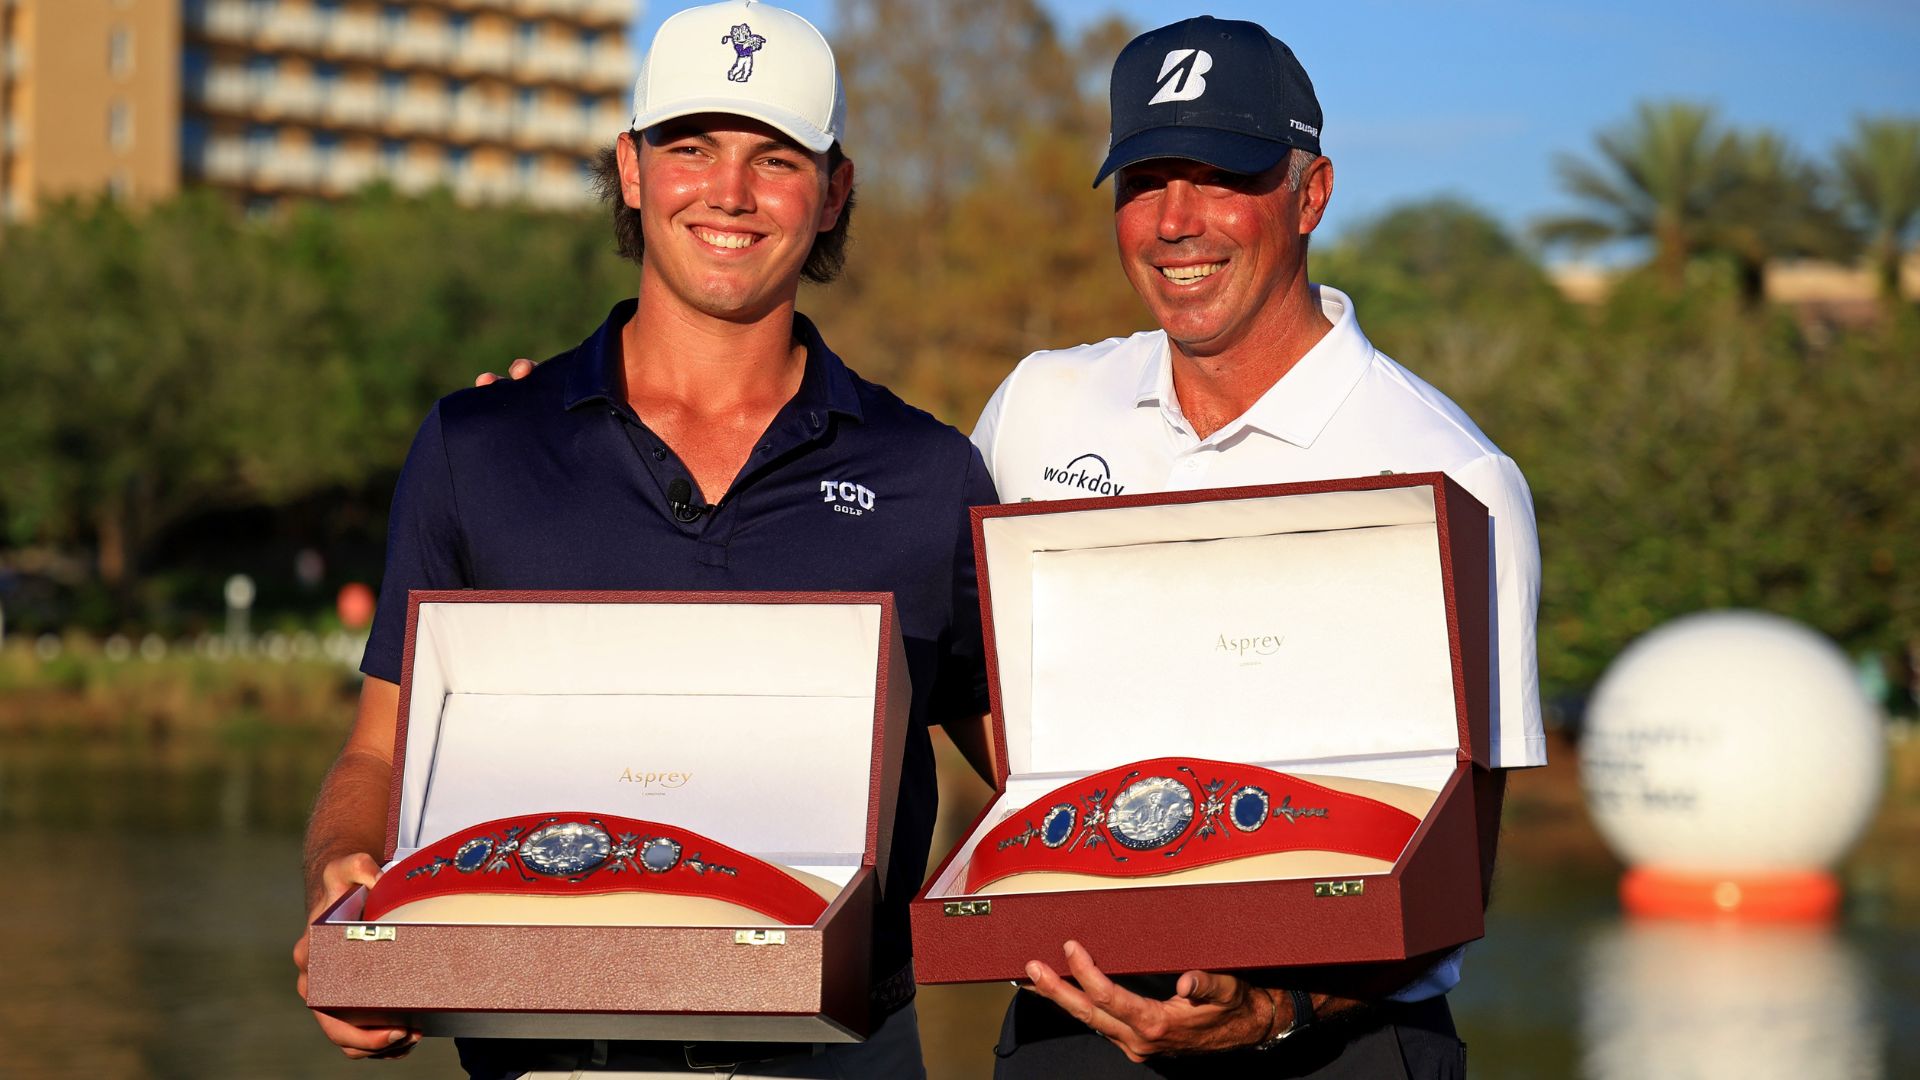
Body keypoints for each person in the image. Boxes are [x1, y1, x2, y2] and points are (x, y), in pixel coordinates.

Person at [291, 3, 996, 1077]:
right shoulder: (478, 445)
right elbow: (379, 754)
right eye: (692, 148)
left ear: (834, 192)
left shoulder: (929, 475)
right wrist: (343, 879)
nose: (730, 192)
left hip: (842, 1050)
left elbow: (1035, 776)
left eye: (776, 159)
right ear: (630, 169)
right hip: (541, 1049)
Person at [968, 16, 1544, 1079]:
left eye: (1222, 178)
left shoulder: (1452, 471)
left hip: (1335, 1043)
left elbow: (1460, 867)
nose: (1175, 222)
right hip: (1072, 1023)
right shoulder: (1037, 407)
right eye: (1145, 181)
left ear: (1310, 193)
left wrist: (1278, 1010)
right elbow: (961, 666)